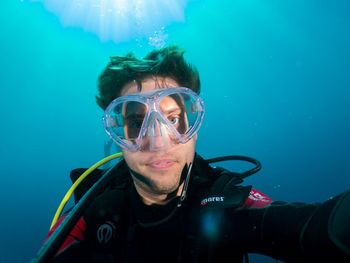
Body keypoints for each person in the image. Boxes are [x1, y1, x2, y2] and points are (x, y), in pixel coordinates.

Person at [38, 45, 350, 263]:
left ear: (194, 127)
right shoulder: (91, 211)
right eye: (136, 122)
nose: (158, 141)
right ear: (118, 136)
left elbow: (318, 231)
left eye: (172, 119)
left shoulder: (224, 201)